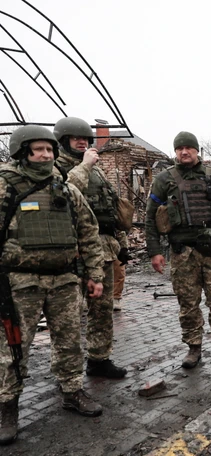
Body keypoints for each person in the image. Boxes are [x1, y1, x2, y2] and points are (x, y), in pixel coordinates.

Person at [0, 126, 107, 445]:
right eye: (38, 150)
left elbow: (89, 232)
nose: (45, 155)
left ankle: (72, 391)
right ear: (23, 153)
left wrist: (95, 274)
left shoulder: (67, 189)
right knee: (14, 346)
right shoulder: (5, 186)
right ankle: (7, 405)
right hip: (19, 283)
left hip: (64, 280)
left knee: (69, 340)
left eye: (49, 149)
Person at [145, 132, 211, 369]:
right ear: (175, 152)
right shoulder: (164, 179)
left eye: (189, 147)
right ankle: (193, 347)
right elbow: (150, 217)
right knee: (188, 303)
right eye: (179, 148)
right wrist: (154, 251)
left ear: (197, 150)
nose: (184, 152)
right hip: (183, 252)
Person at [54, 117, 128, 378]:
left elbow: (111, 207)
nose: (82, 142)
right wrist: (85, 165)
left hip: (103, 249)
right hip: (72, 252)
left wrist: (122, 244)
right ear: (63, 141)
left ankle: (99, 359)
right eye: (76, 138)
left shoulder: (96, 170)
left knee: (102, 309)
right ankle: (66, 371)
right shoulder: (55, 167)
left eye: (85, 139)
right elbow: (64, 195)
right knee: (69, 315)